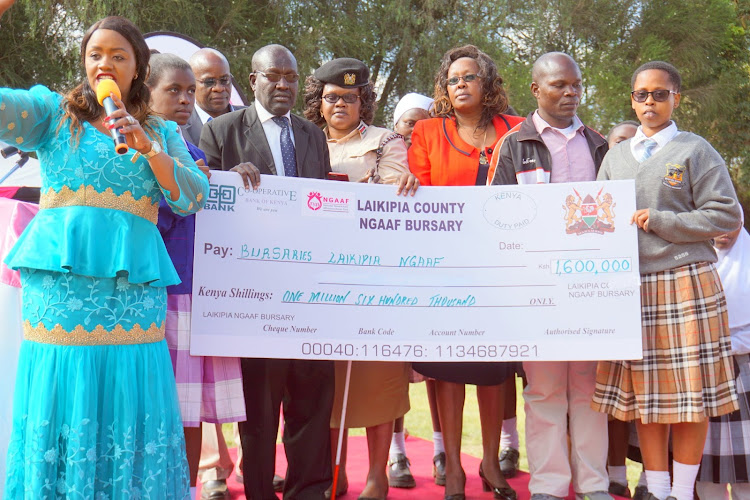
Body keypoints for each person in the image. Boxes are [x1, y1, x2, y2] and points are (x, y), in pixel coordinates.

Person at [1, 11, 209, 499]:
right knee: (61, 396)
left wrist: (149, 147)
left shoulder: (159, 128)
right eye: (95, 55)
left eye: (118, 56)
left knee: (129, 401)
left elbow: (192, 196)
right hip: (59, 299)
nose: (105, 64)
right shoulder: (52, 114)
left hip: (130, 301)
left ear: (138, 67)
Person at [591, 60, 741, 500]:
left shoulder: (695, 149)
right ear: (632, 99)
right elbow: (595, 218)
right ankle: (656, 491)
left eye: (660, 93)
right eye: (642, 94)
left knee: (691, 399)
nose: (650, 102)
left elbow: (726, 213)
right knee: (647, 398)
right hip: (628, 287)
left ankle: (681, 492)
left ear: (676, 97)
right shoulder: (616, 156)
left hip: (686, 282)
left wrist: (662, 221)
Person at [200, 43, 333, 500]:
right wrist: (227, 179)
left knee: (313, 401)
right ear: (252, 80)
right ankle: (258, 490)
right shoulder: (221, 132)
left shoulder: (312, 135)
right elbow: (205, 205)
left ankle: (309, 490)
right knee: (260, 409)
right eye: (273, 76)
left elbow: (325, 208)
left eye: (292, 77)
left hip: (311, 294)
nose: (283, 85)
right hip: (254, 299)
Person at [488, 52, 611, 500]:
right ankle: (549, 488)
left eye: (576, 85)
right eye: (559, 85)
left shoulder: (598, 144)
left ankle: (594, 486)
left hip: (590, 288)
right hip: (536, 288)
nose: (570, 92)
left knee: (588, 388)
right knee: (544, 391)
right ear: (536, 89)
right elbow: (494, 216)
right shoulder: (514, 144)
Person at [409, 44, 523, 500]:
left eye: (469, 76)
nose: (460, 84)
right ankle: (453, 469)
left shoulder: (516, 130)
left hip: (502, 268)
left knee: (494, 371)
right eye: (453, 78)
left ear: (488, 83)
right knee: (449, 368)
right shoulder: (426, 131)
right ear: (444, 87)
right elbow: (417, 189)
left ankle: (491, 465)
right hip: (445, 270)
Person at [302, 57, 417, 500]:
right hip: (320, 275)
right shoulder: (306, 140)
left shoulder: (385, 139)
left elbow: (391, 191)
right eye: (332, 98)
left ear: (363, 100)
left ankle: (376, 475)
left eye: (350, 98)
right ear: (320, 101)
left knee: (378, 376)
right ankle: (335, 472)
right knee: (327, 379)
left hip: (375, 274)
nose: (340, 105)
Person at [146, 52, 246, 500]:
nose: (186, 99)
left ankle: (184, 490)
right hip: (158, 293)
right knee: (157, 409)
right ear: (145, 91)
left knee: (188, 413)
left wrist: (228, 181)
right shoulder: (132, 148)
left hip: (194, 292)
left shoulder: (191, 151)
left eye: (190, 90)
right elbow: (151, 219)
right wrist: (183, 187)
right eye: (174, 90)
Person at [389, 91, 444, 489]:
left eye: (424, 120)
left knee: (438, 371)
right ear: (396, 126)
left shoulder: (435, 159)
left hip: (434, 277)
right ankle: (397, 454)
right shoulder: (384, 160)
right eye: (410, 122)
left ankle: (441, 451)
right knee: (394, 371)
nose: (416, 128)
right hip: (392, 278)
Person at [697, 214, 750, 499]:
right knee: (707, 468)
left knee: (748, 469)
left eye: (733, 223)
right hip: (704, 374)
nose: (725, 232)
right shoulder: (694, 262)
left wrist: (724, 344)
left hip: (745, 373)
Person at [603, 119, 640, 499]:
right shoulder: (602, 184)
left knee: (653, 394)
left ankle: (650, 477)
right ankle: (615, 474)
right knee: (614, 397)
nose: (625, 146)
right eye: (618, 141)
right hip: (607, 295)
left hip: (652, 292)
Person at [182, 48, 243, 146]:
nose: (219, 88)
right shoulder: (178, 128)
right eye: (209, 82)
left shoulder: (252, 119)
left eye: (224, 80)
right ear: (192, 84)